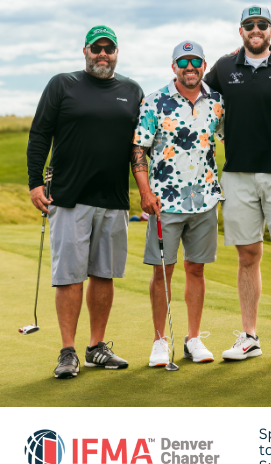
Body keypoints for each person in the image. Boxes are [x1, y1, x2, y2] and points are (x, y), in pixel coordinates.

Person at [27, 25, 144, 379]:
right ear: (85, 51)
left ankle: (97, 347)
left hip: (113, 199)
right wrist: (35, 183)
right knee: (69, 276)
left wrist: (146, 189)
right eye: (97, 48)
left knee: (104, 274)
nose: (103, 54)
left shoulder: (131, 90)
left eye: (109, 48)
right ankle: (68, 352)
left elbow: (139, 145)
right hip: (69, 196)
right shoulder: (62, 84)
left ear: (117, 52)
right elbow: (40, 133)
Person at [204, 6, 271, 361]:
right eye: (249, 25)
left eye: (261, 25)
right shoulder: (222, 68)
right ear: (240, 31)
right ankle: (249, 336)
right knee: (247, 255)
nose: (255, 30)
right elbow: (200, 99)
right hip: (238, 174)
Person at [131, 40, 224, 366]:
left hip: (203, 199)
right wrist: (144, 191)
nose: (189, 67)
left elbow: (230, 137)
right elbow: (138, 149)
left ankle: (194, 339)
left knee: (196, 269)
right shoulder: (155, 101)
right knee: (162, 273)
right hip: (163, 200)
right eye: (183, 62)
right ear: (174, 67)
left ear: (204, 65)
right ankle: (160, 341)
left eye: (195, 62)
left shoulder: (216, 101)